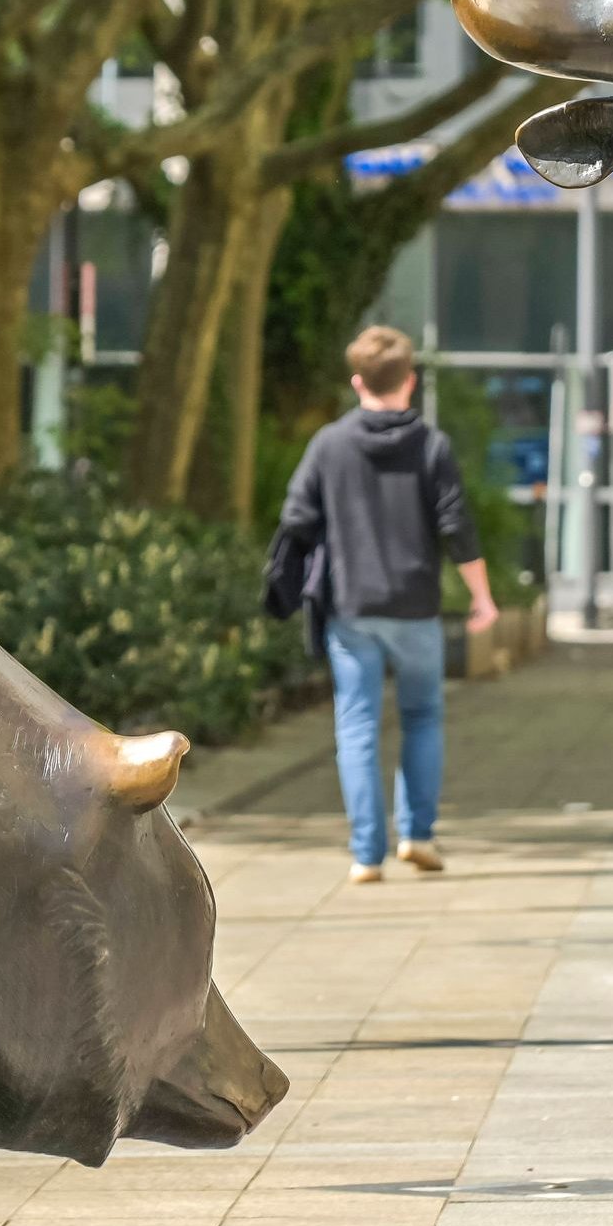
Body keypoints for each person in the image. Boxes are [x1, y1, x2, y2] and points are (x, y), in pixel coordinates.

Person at [270, 324, 498, 885]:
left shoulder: (329, 445)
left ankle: (366, 854)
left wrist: (285, 589)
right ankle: (417, 835)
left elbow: (296, 522)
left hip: (351, 609)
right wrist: (482, 599)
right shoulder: (431, 446)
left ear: (356, 382)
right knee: (423, 717)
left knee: (357, 725)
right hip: (415, 607)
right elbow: (457, 528)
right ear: (410, 382)